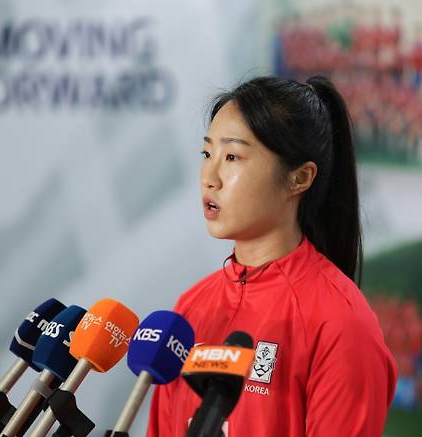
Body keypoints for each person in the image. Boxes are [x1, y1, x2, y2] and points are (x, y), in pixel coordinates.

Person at [146, 75, 397, 437]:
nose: (209, 177)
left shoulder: (341, 324)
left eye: (232, 156)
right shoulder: (188, 310)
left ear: (300, 178)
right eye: (207, 153)